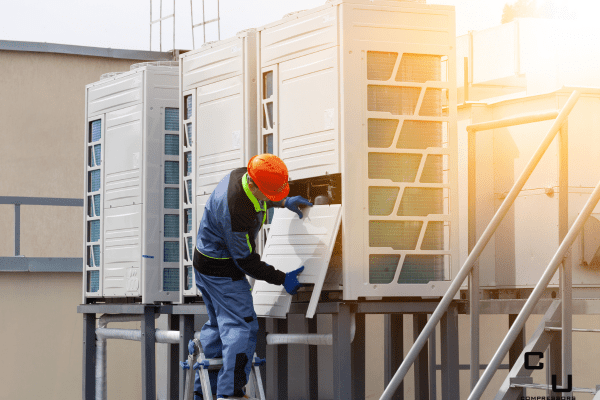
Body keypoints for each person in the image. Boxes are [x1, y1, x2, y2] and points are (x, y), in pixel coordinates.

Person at [193, 153, 313, 400]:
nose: (273, 198)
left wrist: (283, 202)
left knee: (218, 324)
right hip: (221, 270)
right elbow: (245, 260)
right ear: (257, 185)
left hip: (205, 262)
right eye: (272, 195)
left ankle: (202, 391)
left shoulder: (245, 176)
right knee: (243, 326)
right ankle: (231, 393)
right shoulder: (236, 208)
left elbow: (258, 199)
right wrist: (281, 278)